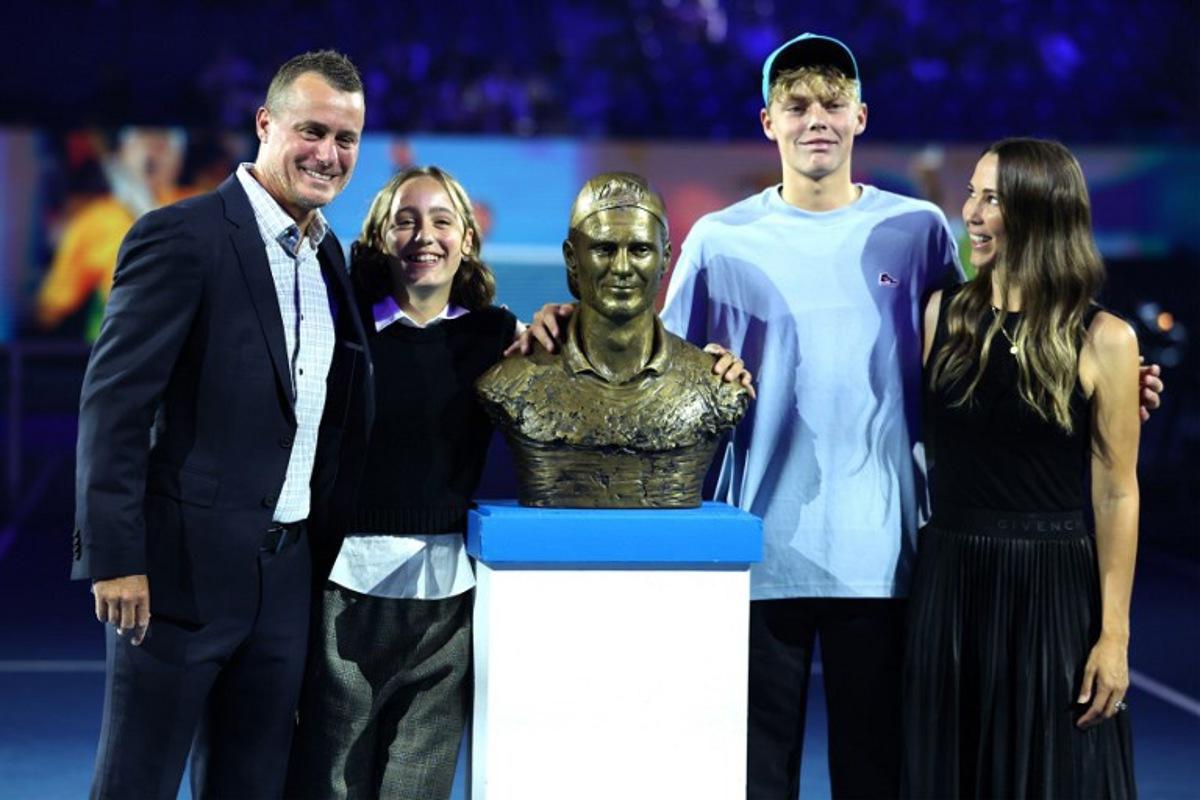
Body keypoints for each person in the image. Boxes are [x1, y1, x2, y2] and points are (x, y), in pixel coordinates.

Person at [519, 34, 1162, 799]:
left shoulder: (920, 230)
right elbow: (644, 359)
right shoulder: (720, 239)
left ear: (862, 116)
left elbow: (991, 349)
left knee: (879, 779)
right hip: (754, 557)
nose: (815, 118)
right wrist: (563, 324)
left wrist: (1112, 387)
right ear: (768, 122)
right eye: (796, 104)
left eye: (831, 103)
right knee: (753, 781)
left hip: (888, 563)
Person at [72, 51, 372, 800]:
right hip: (175, 578)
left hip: (286, 578)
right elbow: (114, 404)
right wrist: (114, 556)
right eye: (312, 131)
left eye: (346, 138)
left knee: (250, 786)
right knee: (135, 784)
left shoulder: (329, 255)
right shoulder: (182, 236)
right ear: (265, 124)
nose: (328, 155)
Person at [902, 138, 1138, 798]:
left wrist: (1113, 635)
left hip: (1057, 594)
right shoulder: (940, 317)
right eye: (971, 193)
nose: (971, 212)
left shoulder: (1106, 339)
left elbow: (1118, 494)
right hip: (950, 588)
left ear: (1041, 213)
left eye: (992, 199)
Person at [286, 166, 516, 799]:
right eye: (406, 220)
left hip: (448, 605)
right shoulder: (342, 332)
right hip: (344, 595)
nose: (425, 235)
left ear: (467, 239)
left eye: (442, 220)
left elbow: (587, 368)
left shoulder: (495, 335)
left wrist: (716, 362)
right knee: (331, 783)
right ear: (379, 239)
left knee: (418, 787)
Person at [477, 172, 749, 508]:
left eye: (639, 250)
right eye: (604, 249)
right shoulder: (511, 384)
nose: (622, 267)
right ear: (572, 258)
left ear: (665, 257)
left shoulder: (716, 386)